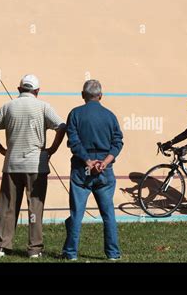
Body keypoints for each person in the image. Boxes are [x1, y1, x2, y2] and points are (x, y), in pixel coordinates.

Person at [0, 74, 66, 258]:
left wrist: (1, 149)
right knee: (35, 207)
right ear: (37, 91)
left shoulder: (8, 106)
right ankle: (34, 249)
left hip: (12, 164)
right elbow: (61, 126)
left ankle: (2, 246)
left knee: (8, 207)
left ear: (19, 89)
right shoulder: (43, 107)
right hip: (36, 165)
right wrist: (52, 149)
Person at [62, 79, 123, 261]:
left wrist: (88, 161)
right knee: (108, 214)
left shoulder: (75, 114)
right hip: (105, 170)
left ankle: (71, 253)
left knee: (76, 214)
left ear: (83, 95)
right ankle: (113, 253)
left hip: (82, 169)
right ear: (101, 96)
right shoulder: (110, 116)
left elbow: (74, 142)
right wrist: (104, 162)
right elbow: (117, 142)